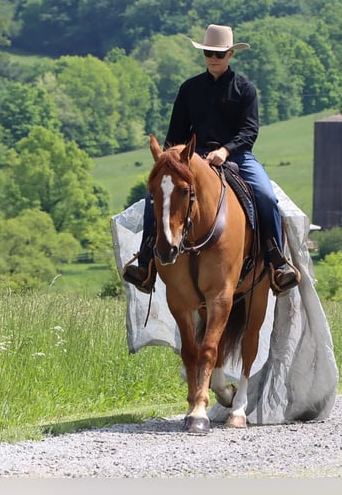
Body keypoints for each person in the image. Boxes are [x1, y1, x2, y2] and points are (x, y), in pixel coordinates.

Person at [122, 23, 300, 295]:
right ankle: (146, 260)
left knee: (266, 195)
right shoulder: (189, 89)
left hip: (238, 156)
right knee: (153, 198)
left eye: (219, 54)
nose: (213, 58)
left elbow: (249, 130)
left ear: (230, 54)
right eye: (208, 53)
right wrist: (175, 158)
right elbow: (175, 134)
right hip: (193, 158)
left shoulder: (245, 89)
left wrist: (226, 150)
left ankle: (277, 261)